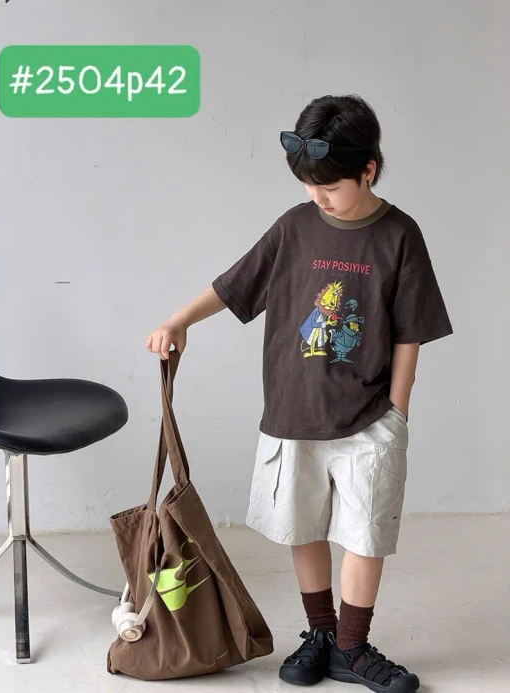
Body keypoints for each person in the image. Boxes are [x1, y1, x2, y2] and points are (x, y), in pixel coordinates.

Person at [146, 94, 453, 692]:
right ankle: (320, 634)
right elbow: (234, 285)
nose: (318, 197)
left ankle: (352, 648)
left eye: (330, 186)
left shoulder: (399, 235)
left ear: (369, 170)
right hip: (293, 411)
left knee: (366, 532)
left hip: (369, 416)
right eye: (309, 185)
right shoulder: (294, 227)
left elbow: (411, 332)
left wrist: (398, 411)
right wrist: (180, 320)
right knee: (303, 525)